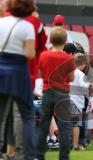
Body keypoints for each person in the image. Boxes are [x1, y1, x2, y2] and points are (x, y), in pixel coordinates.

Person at [0, 0, 36, 160]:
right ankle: (26, 155)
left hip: (1, 69)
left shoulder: (1, 22)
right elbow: (29, 54)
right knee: (27, 115)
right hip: (18, 72)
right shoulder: (27, 26)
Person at [36, 27, 75, 160]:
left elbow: (40, 74)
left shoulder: (43, 55)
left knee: (43, 125)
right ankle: (64, 157)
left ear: (50, 40)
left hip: (47, 92)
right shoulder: (68, 58)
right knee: (64, 128)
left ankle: (39, 156)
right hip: (63, 93)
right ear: (65, 41)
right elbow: (71, 78)